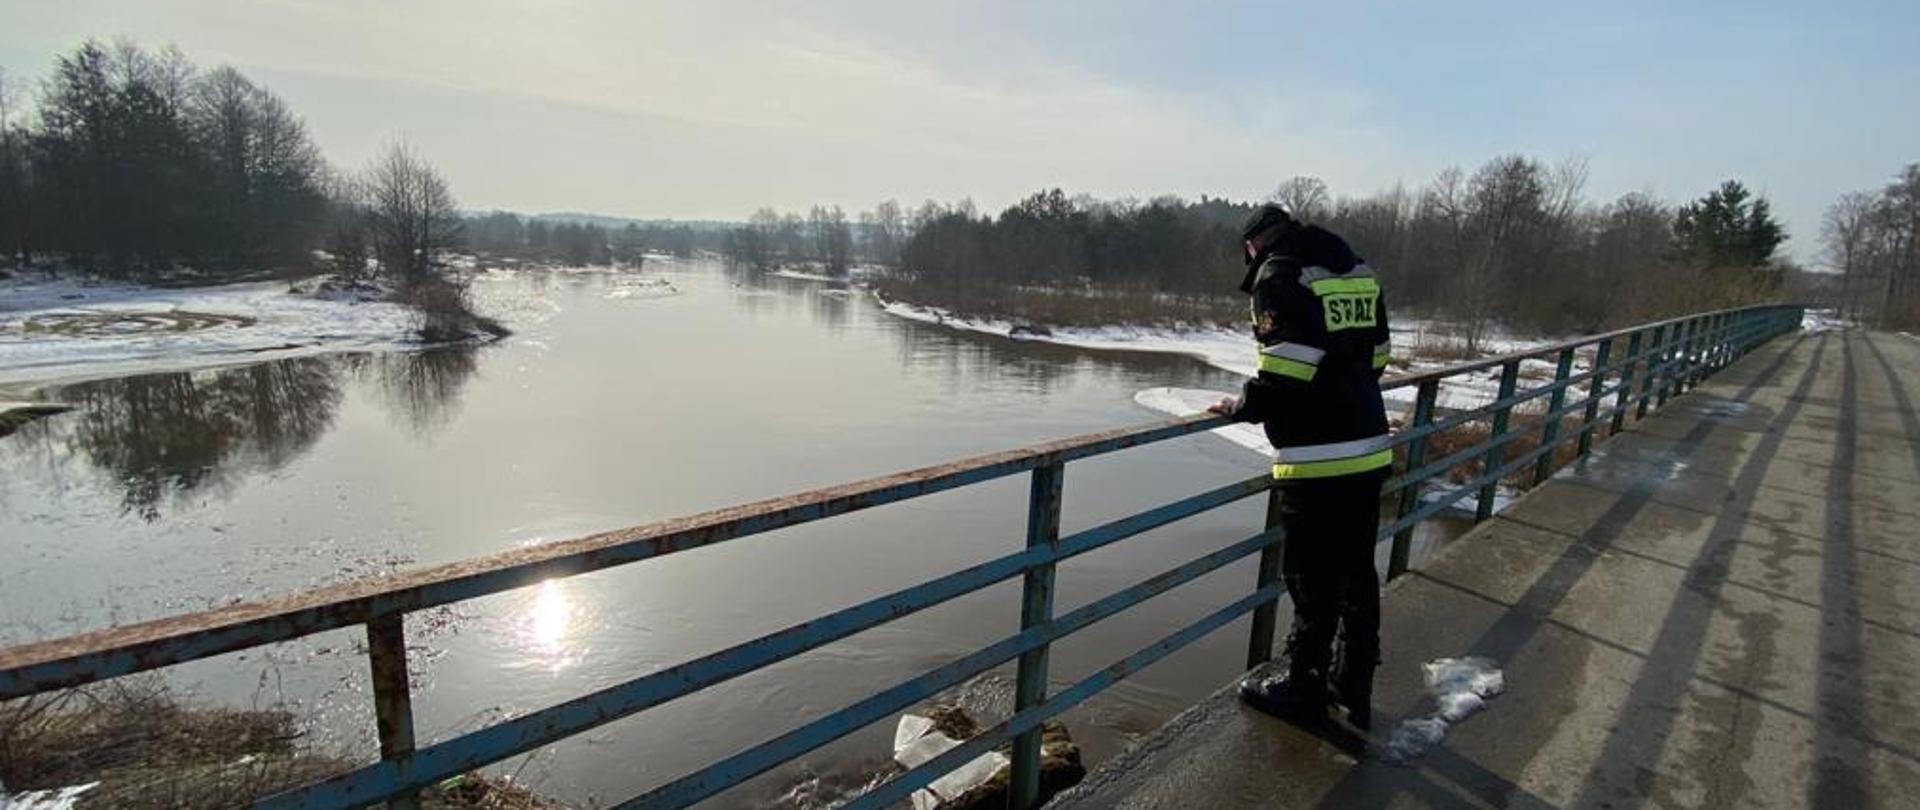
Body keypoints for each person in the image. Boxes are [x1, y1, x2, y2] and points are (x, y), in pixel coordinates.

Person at [1208, 203, 1392, 730]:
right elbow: (1378, 356)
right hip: (1367, 444)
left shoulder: (1280, 275)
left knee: (1310, 577)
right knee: (1356, 572)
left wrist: (1242, 403)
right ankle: (1354, 684)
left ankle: (1303, 686)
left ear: (1253, 245)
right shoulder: (1356, 268)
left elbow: (1287, 372)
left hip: (1317, 456)